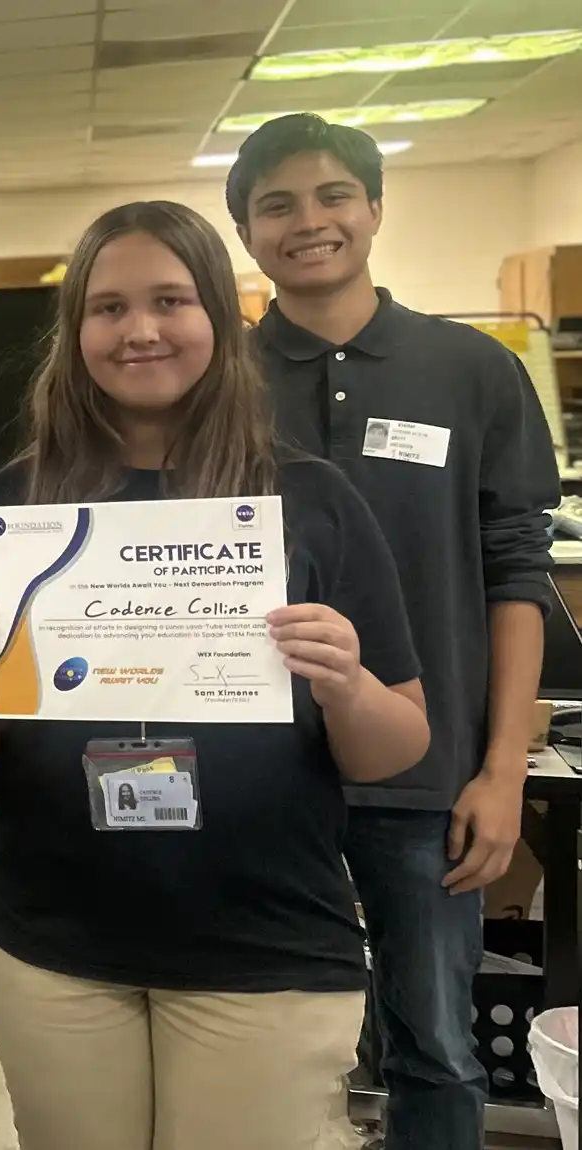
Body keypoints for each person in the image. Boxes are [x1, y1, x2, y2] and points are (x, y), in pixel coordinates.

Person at [0, 201, 431, 1150]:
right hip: (52, 944)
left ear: (220, 321)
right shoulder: (21, 506)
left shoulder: (308, 499)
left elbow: (398, 743)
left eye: (169, 300)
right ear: (74, 335)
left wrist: (347, 683)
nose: (140, 330)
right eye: (107, 308)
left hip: (262, 944)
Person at [230, 114, 559, 1150]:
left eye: (331, 195)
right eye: (275, 203)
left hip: (429, 784)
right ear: (244, 230)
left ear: (373, 208)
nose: (307, 221)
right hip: (259, 781)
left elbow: (515, 574)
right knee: (264, 1050)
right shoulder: (215, 384)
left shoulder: (471, 370)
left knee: (434, 1048)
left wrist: (500, 769)